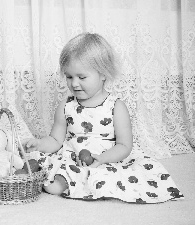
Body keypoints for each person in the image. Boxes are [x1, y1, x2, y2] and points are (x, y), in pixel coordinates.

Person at [22, 32, 184, 203]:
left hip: (107, 158)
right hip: (75, 158)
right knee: (50, 172)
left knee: (116, 176)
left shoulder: (116, 106)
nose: (74, 83)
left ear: (103, 74)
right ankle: (64, 181)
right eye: (69, 77)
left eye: (82, 77)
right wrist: (39, 144)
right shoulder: (66, 105)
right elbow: (55, 139)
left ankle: (86, 182)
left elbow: (124, 145)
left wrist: (103, 158)